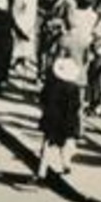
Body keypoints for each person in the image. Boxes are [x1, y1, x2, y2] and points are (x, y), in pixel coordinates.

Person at [35, 56, 84, 184]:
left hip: (52, 118)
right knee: (65, 145)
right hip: (68, 120)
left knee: (47, 145)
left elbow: (42, 100)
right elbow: (76, 106)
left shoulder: (51, 85)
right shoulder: (74, 89)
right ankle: (66, 166)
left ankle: (41, 172)